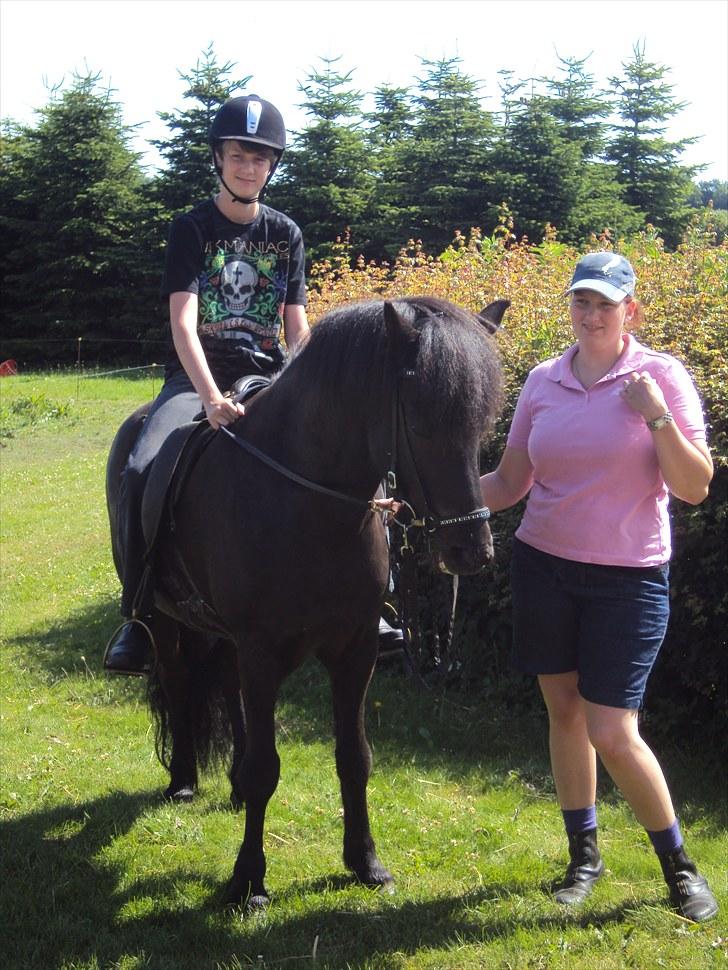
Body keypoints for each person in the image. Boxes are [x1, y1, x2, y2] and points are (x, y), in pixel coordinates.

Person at [105, 94, 403, 675]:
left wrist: (325, 390)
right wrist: (210, 398)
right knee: (142, 466)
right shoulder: (191, 229)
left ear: (272, 166)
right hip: (198, 379)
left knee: (357, 459)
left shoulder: (285, 233)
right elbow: (183, 321)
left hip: (267, 376)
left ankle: (378, 597)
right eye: (239, 155)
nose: (249, 167)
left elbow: (296, 326)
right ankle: (139, 612)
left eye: (260, 158)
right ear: (219, 158)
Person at [479, 252, 718, 922]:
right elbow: (508, 483)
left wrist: (656, 418)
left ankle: (680, 868)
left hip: (628, 578)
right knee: (564, 714)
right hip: (544, 565)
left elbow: (694, 488)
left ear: (630, 312)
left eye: (604, 305)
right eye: (581, 302)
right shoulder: (543, 380)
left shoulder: (661, 377)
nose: (590, 316)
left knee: (613, 728)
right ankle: (583, 858)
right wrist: (435, 502)